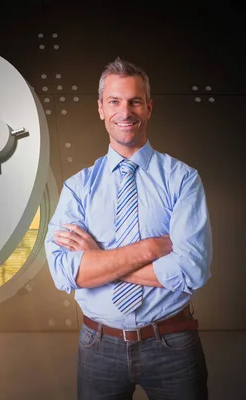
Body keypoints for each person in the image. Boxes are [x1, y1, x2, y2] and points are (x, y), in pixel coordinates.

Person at [44, 57, 213, 400]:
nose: (126, 111)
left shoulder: (182, 180)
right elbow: (64, 272)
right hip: (97, 345)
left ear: (149, 108)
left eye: (135, 101)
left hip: (172, 343)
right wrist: (150, 250)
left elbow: (191, 270)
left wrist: (98, 261)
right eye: (115, 101)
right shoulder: (78, 187)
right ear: (101, 109)